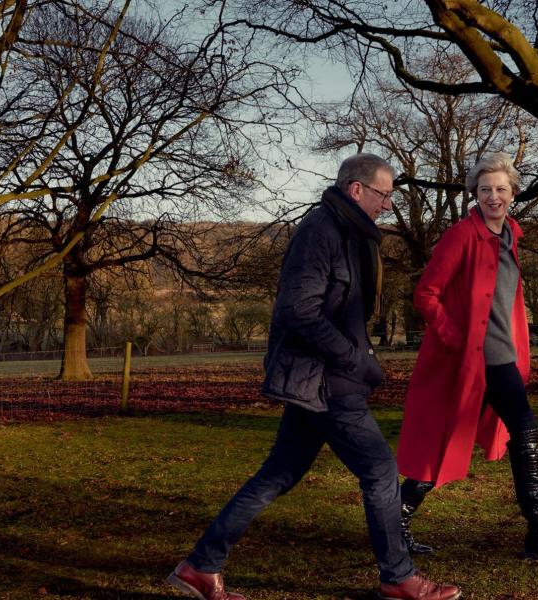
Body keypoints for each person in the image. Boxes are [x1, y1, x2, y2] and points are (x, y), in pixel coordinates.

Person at [167, 154, 461, 600]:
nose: (388, 204)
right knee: (381, 471)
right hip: (325, 381)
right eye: (383, 194)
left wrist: (361, 353)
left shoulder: (351, 235)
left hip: (326, 378)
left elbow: (337, 310)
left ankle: (200, 566)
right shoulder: (319, 233)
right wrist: (353, 359)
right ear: (356, 189)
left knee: (278, 475)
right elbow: (297, 311)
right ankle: (398, 578)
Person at [396, 152, 538, 563]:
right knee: (522, 434)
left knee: (480, 437)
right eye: (485, 190)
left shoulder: (511, 235)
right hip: (473, 360)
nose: (493, 197)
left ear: (513, 193)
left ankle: (394, 522)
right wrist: (457, 339)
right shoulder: (462, 235)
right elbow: (425, 295)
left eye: (501, 189)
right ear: (475, 194)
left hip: (503, 357)